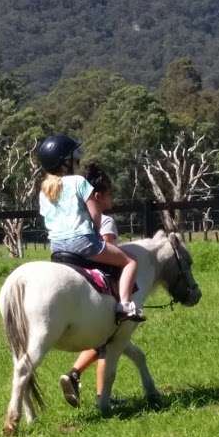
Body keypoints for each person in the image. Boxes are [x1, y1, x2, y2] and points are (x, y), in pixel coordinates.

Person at [38, 135, 144, 330]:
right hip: (83, 243)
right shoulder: (79, 181)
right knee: (130, 261)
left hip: (56, 247)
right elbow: (96, 216)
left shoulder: (43, 191)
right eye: (75, 159)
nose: (77, 163)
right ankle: (125, 306)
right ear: (65, 163)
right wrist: (95, 234)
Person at [59, 162, 123, 409]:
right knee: (110, 337)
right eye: (109, 193)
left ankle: (74, 374)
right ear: (98, 195)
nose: (112, 198)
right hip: (99, 277)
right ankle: (100, 397)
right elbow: (109, 251)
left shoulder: (74, 218)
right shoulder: (105, 221)